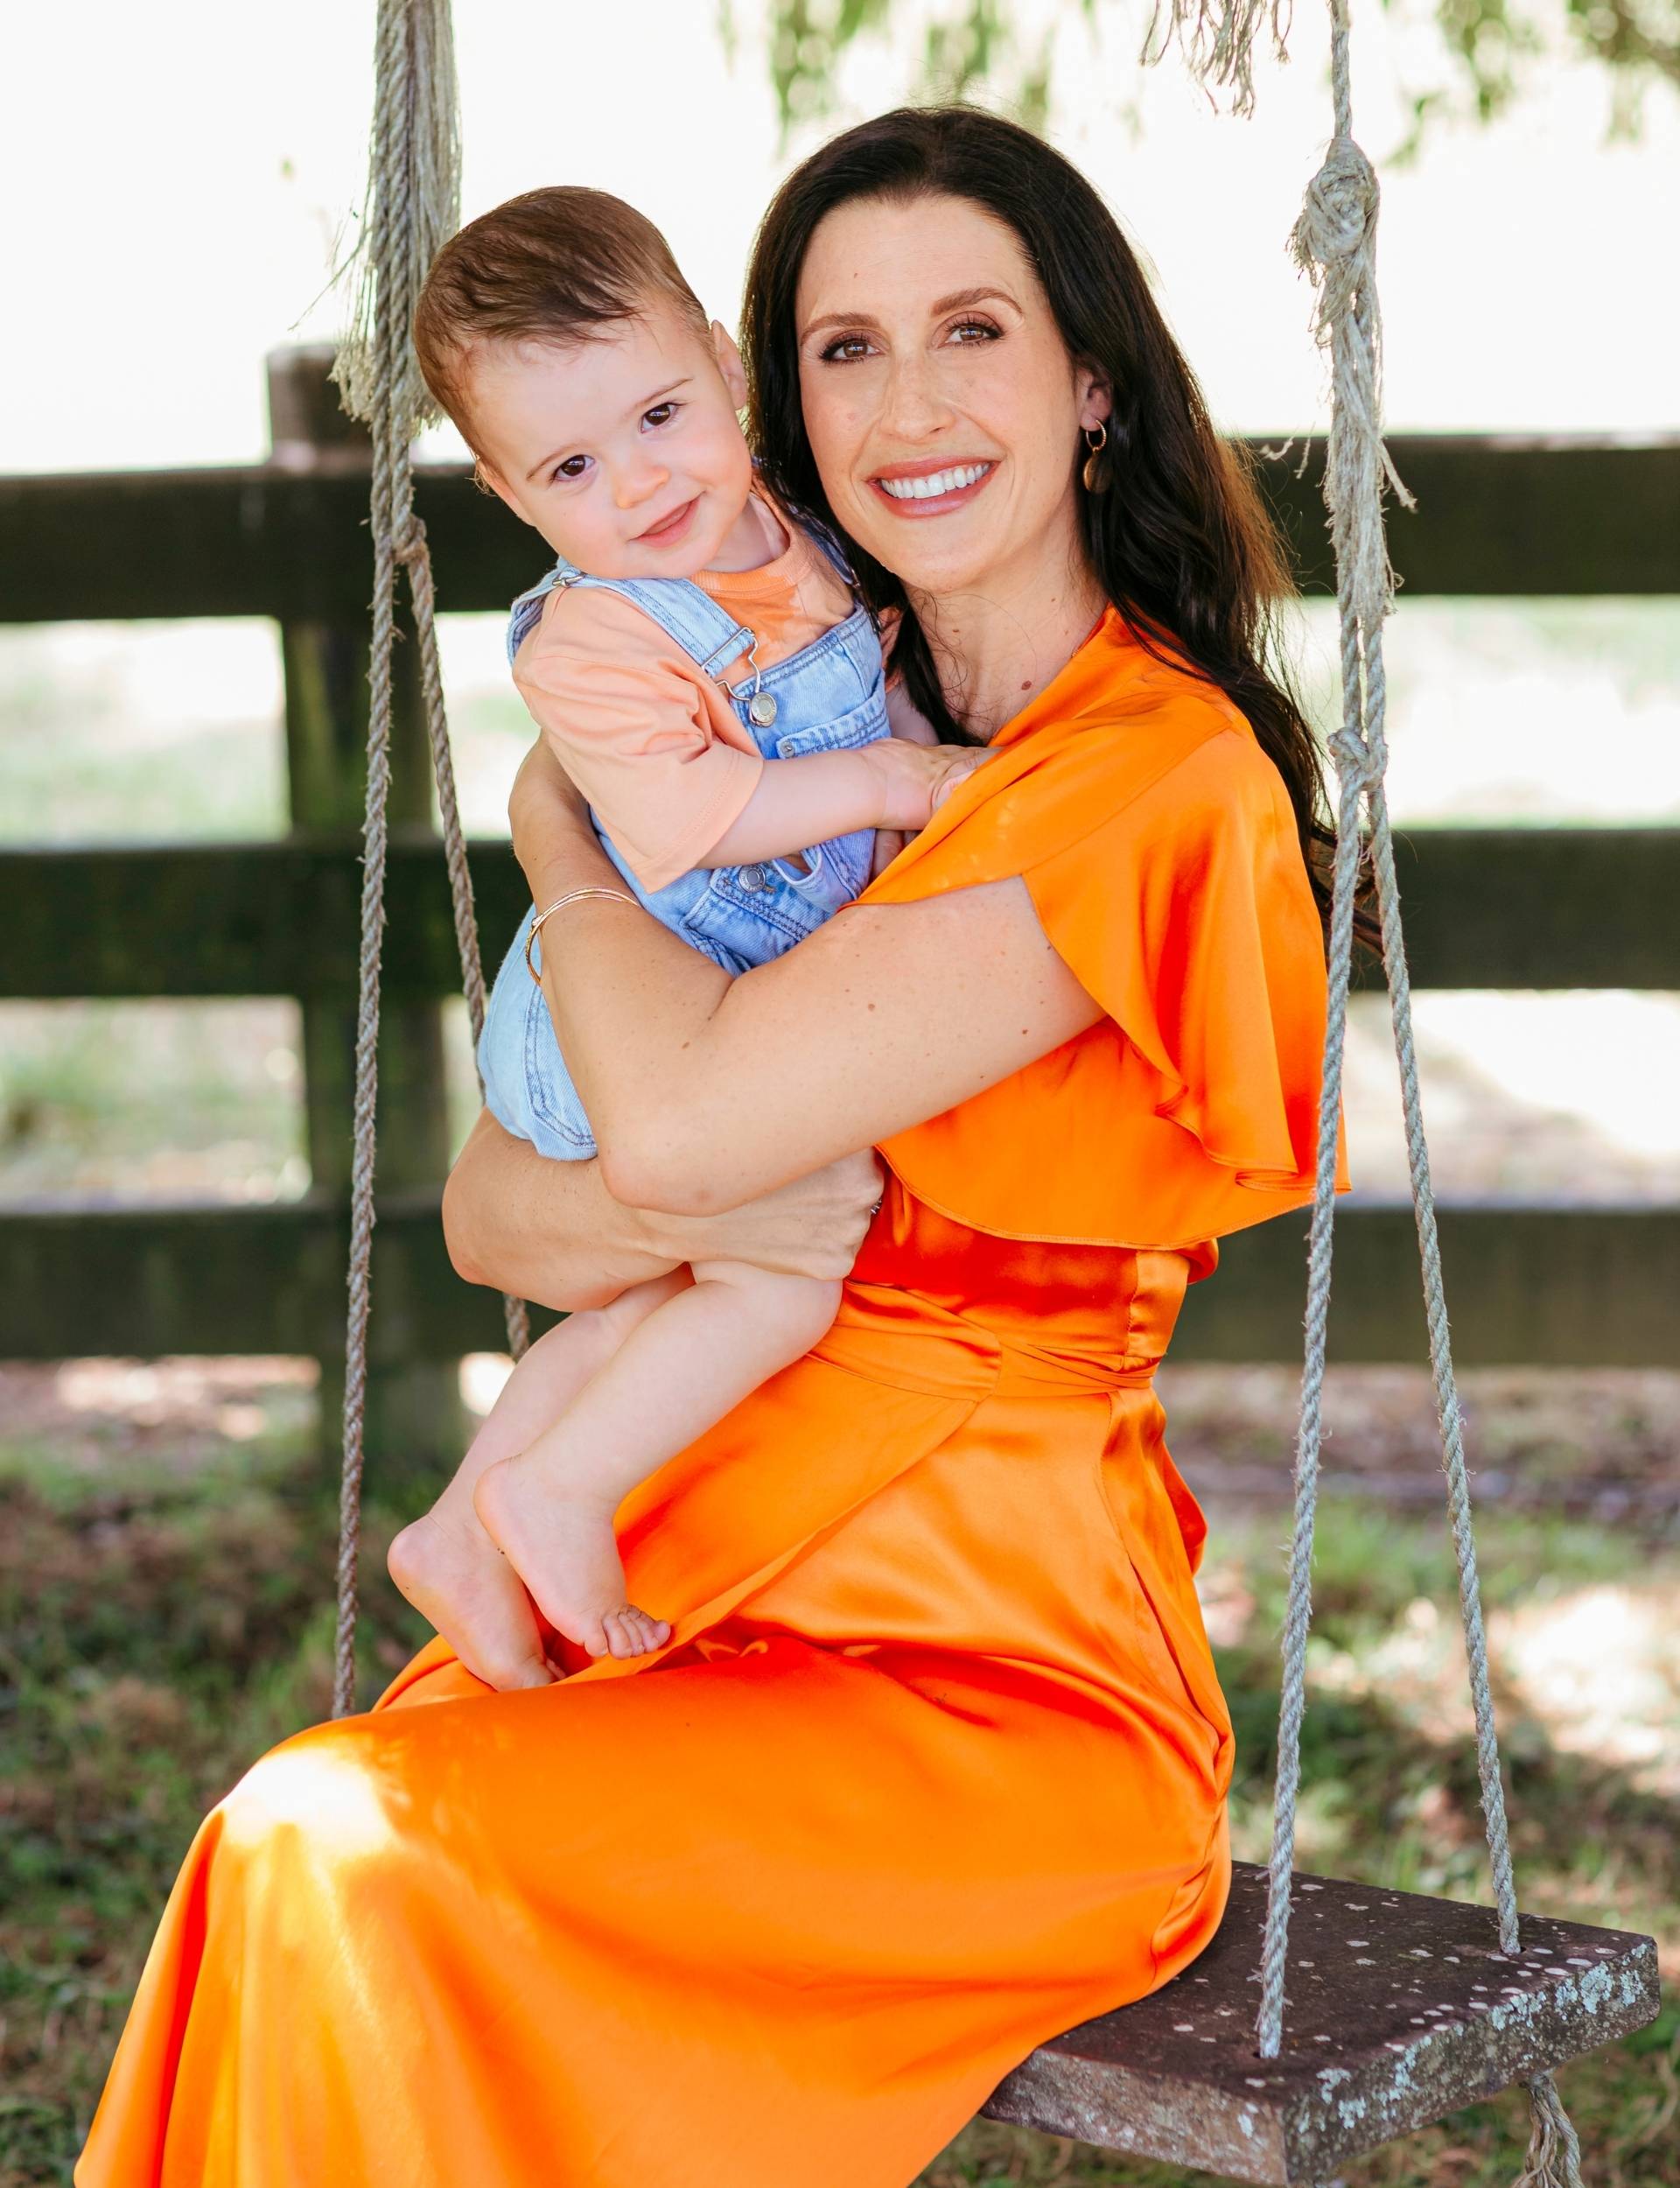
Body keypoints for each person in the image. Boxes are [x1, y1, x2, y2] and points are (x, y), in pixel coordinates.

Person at [78, 106, 1344, 2188]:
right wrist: (644, 1151)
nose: (909, 402)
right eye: (845, 346)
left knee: (347, 1853)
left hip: (987, 1684)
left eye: (972, 330)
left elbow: (660, 1134)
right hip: (704, 1568)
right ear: (784, 397)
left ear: (1092, 379)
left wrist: (563, 846)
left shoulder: (1147, 778)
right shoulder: (775, 695)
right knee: (303, 1837)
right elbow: (508, 1208)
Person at [388, 186, 985, 1674]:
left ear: (724, 364)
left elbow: (880, 667)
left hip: (703, 991)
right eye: (574, 466)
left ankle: (465, 1523)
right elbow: (693, 821)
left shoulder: (789, 521)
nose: (642, 484)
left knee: (682, 1282)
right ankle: (559, 1487)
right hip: (600, 1023)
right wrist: (901, 780)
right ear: (514, 497)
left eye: (659, 414)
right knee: (782, 1257)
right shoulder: (591, 636)